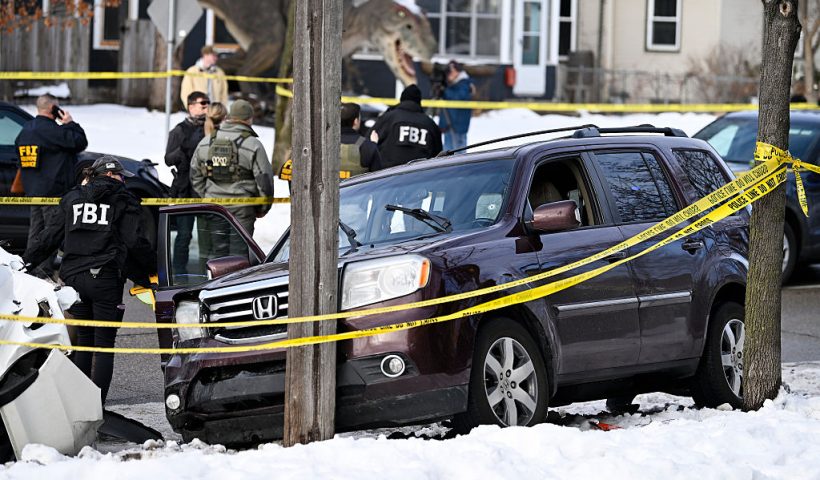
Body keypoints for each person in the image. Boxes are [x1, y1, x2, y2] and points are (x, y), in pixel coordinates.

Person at [22, 156, 156, 404]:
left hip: (73, 278)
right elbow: (135, 241)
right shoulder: (123, 200)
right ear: (112, 176)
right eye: (121, 175)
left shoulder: (72, 198)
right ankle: (96, 408)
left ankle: (79, 405)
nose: (124, 179)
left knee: (83, 339)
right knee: (103, 345)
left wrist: (26, 262)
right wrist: (152, 271)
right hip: (104, 278)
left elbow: (48, 237)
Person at [14, 94, 88, 277]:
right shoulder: (52, 130)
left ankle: (30, 269)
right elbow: (79, 142)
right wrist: (70, 122)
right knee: (50, 234)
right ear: (53, 108)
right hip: (53, 192)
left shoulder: (26, 130)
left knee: (35, 232)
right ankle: (43, 273)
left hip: (33, 192)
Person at [191, 99, 274, 255]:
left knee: (218, 254)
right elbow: (265, 180)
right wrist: (262, 207)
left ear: (229, 117)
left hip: (215, 208)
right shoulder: (253, 144)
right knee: (240, 255)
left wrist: (208, 196)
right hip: (243, 209)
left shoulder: (206, 141)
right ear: (249, 119)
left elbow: (195, 174)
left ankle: (219, 280)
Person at [165, 91, 208, 276]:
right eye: (202, 104)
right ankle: (179, 272)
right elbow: (168, 159)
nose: (206, 107)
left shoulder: (211, 128)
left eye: (208, 104)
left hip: (205, 189)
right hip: (184, 189)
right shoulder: (179, 130)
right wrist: (182, 149)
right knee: (184, 235)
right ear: (191, 107)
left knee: (207, 237)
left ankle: (207, 271)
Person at [369, 84, 442, 169]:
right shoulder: (429, 124)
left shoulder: (389, 117)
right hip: (419, 175)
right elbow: (438, 155)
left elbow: (368, 141)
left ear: (402, 99)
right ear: (419, 102)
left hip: (388, 174)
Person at [438, 60, 475, 151]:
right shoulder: (451, 85)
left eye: (450, 71)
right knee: (447, 156)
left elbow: (458, 97)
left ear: (456, 70)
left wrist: (445, 90)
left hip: (457, 128)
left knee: (457, 158)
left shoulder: (464, 84)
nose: (448, 74)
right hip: (449, 126)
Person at [339, 102, 382, 177]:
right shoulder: (366, 145)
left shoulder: (325, 143)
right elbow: (377, 178)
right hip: (356, 188)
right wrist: (373, 145)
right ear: (356, 121)